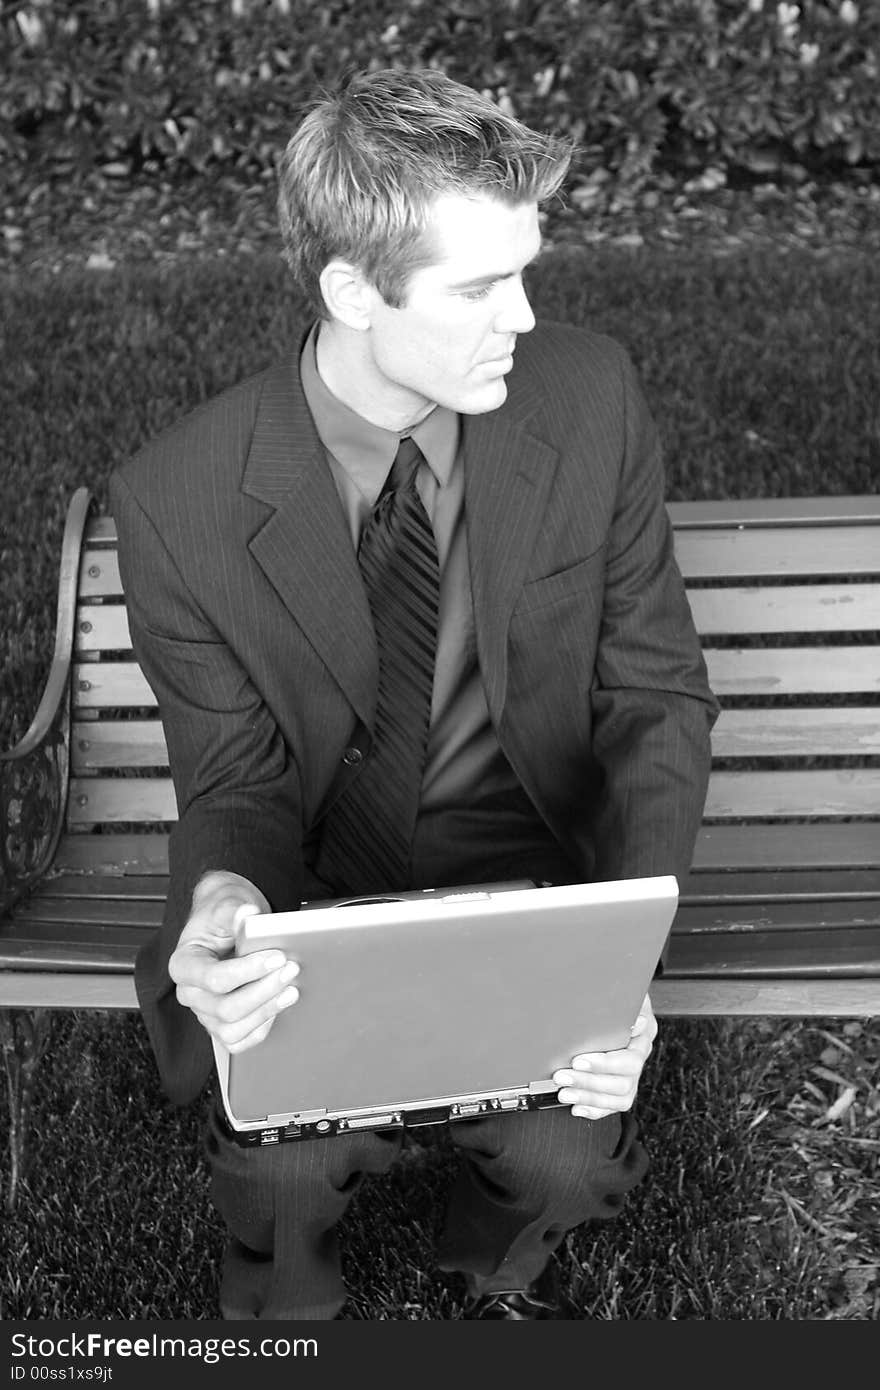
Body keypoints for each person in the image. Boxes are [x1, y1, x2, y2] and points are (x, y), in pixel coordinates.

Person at [109, 66, 719, 1322]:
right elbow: (233, 781)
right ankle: (281, 1303)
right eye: (481, 286)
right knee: (280, 1169)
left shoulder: (587, 394)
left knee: (566, 1159)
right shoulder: (175, 501)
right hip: (321, 898)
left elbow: (653, 692)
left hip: (532, 882)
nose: (526, 317)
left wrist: (620, 951)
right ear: (350, 290)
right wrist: (227, 899)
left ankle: (493, 1265)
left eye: (530, 268)